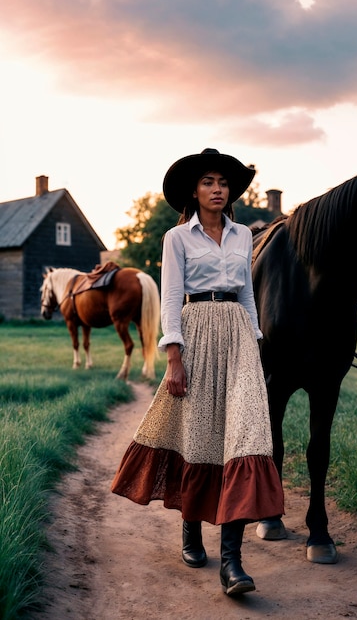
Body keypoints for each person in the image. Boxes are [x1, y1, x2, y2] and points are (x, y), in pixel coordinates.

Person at [111, 148, 284, 596]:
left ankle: (232, 562)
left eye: (223, 183)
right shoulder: (176, 238)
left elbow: (247, 294)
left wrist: (256, 344)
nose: (217, 189)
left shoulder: (245, 234)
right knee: (199, 433)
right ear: (195, 190)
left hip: (239, 335)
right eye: (208, 182)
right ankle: (191, 530)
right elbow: (171, 299)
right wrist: (174, 356)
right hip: (196, 331)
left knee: (245, 437)